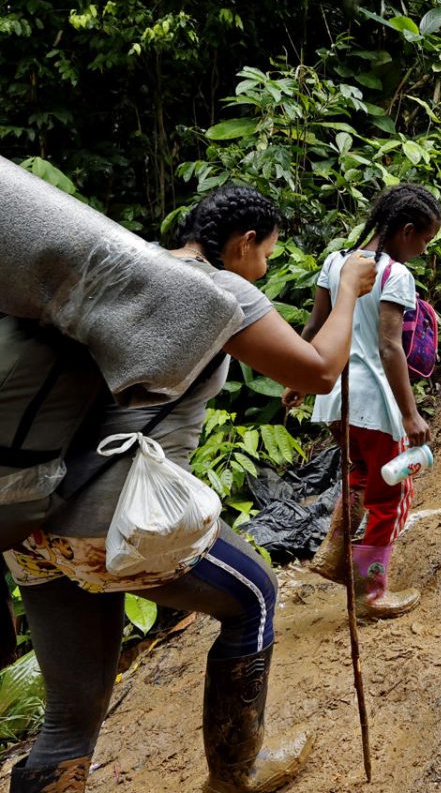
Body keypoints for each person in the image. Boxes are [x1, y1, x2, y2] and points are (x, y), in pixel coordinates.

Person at [3, 186, 378, 793]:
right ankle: (238, 771)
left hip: (31, 520)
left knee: (67, 724)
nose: (266, 267)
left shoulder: (127, 272)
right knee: (253, 597)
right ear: (243, 242)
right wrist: (346, 293)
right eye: (267, 254)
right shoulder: (217, 289)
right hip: (116, 521)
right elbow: (318, 370)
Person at [285, 184, 441, 620]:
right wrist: (410, 414)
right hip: (375, 401)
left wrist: (296, 377)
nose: (423, 251)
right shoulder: (396, 275)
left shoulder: (336, 262)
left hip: (336, 399)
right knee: (392, 494)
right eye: (424, 240)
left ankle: (336, 555)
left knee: (357, 474)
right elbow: (390, 347)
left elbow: (315, 324)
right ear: (406, 230)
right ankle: (371, 592)